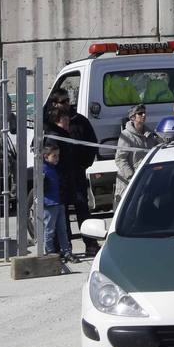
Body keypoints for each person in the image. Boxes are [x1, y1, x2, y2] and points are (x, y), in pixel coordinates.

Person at [50, 88, 100, 254]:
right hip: (58, 175)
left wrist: (84, 164)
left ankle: (90, 244)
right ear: (55, 103)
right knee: (61, 212)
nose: (67, 104)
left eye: (67, 100)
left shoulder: (80, 121)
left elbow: (92, 143)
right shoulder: (48, 123)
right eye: (63, 101)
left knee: (82, 208)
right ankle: (64, 247)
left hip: (76, 173)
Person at [114, 104, 163, 204]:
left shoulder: (149, 134)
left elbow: (160, 148)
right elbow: (120, 159)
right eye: (140, 113)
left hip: (147, 179)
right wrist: (132, 177)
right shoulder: (126, 135)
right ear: (132, 118)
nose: (144, 115)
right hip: (129, 182)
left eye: (144, 113)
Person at [41, 141, 74, 262]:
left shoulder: (55, 168)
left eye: (58, 155)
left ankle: (66, 251)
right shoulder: (43, 169)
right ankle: (49, 253)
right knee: (49, 230)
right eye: (54, 156)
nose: (57, 158)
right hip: (49, 203)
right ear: (46, 156)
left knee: (62, 229)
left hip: (59, 202)